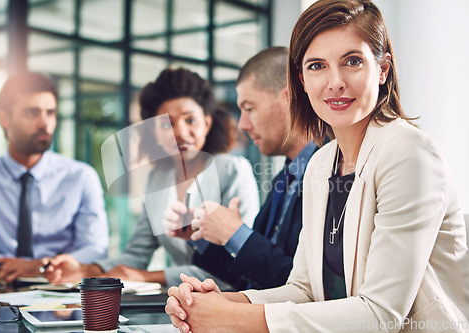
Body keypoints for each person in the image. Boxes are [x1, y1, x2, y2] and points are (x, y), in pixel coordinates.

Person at [165, 0, 469, 332]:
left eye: (352, 61)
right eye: (317, 66)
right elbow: (304, 290)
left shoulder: (409, 153)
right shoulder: (321, 163)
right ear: (302, 80)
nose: (335, 82)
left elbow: (382, 315)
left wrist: (231, 318)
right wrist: (218, 303)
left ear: (382, 69)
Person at [43, 68, 259, 287]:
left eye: (190, 120)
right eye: (167, 124)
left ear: (207, 123)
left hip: (229, 302)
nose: (181, 132)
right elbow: (136, 255)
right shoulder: (158, 179)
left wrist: (149, 277)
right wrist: (89, 269)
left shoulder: (233, 171)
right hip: (179, 303)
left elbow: (237, 264)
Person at [164, 47, 319, 290]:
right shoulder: (285, 179)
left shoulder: (331, 174)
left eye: (249, 108)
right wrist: (209, 236)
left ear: (289, 99)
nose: (243, 124)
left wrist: (234, 233)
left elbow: (303, 284)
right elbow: (251, 276)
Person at [0, 72, 109, 284]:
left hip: (62, 297)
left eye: (50, 113)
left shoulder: (81, 177)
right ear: (4, 118)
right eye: (31, 113)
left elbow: (96, 248)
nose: (44, 123)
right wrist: (10, 266)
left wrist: (39, 267)